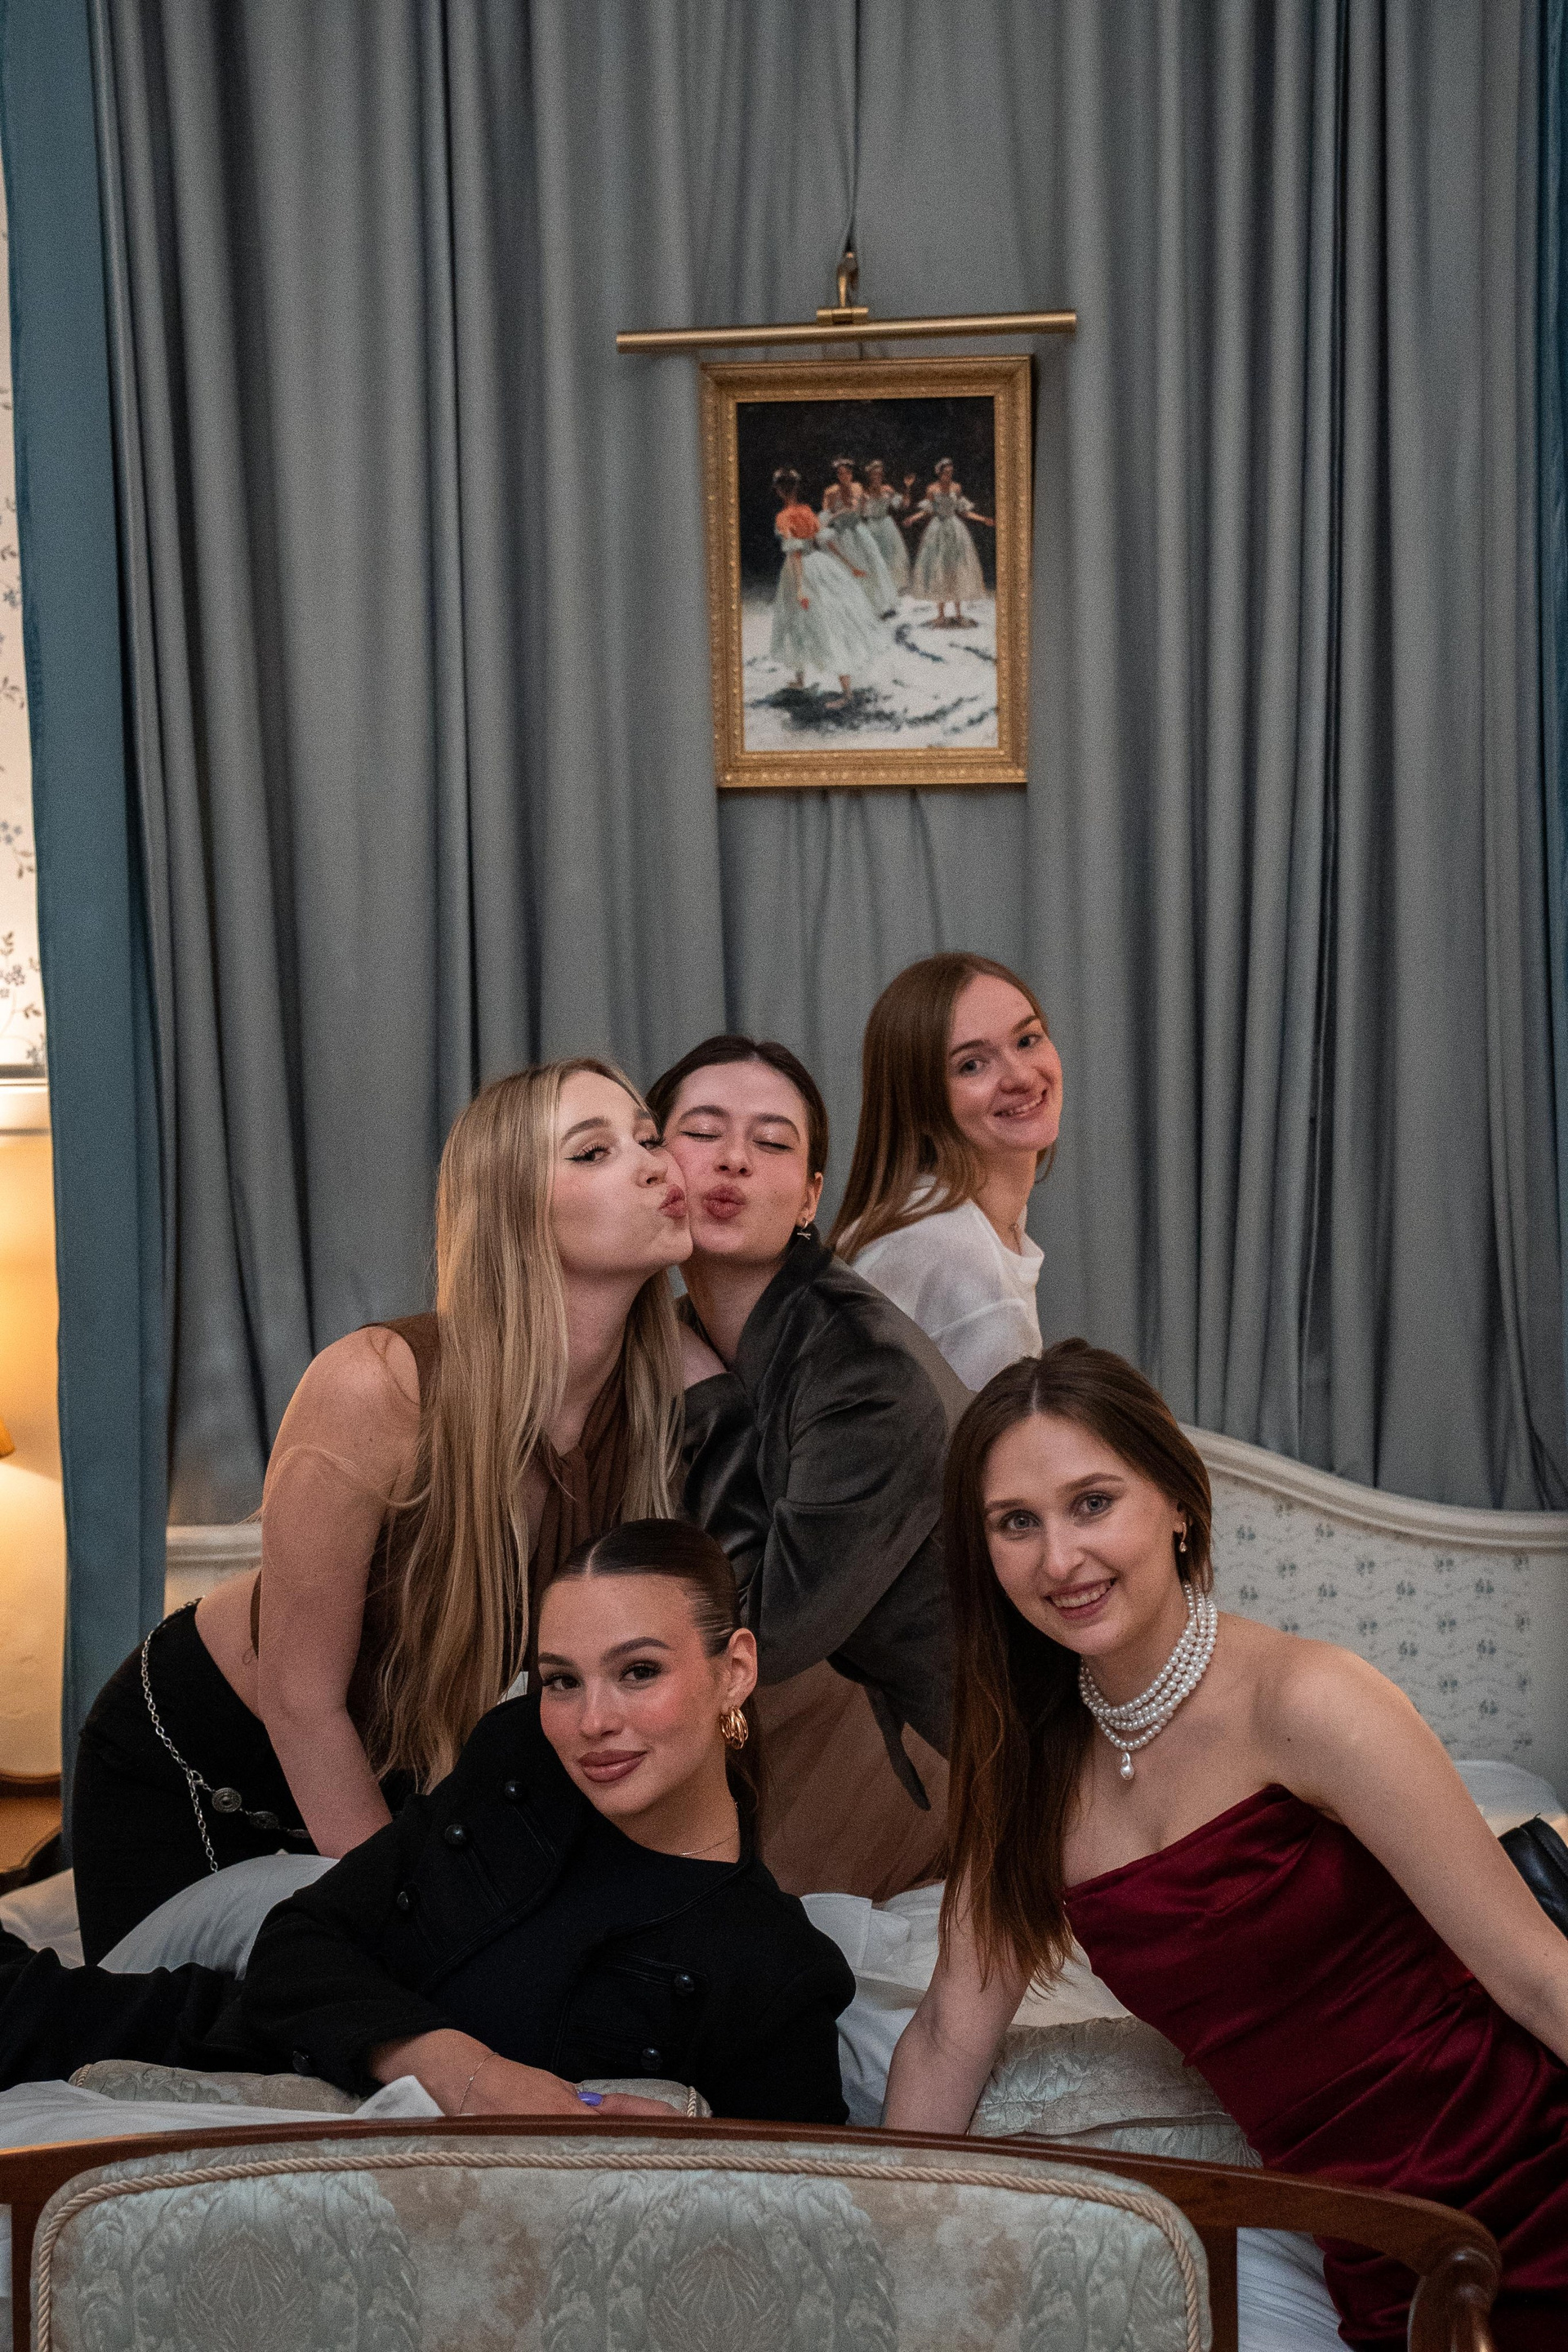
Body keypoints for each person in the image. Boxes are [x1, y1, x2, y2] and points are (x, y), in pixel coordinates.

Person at [883, 1343, 1568, 2351]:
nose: (1059, 1560)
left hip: (1532, 2175)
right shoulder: (1025, 1771)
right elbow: (950, 2030)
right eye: (1015, 1523)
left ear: (1177, 1503)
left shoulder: (1309, 1701)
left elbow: (1537, 1977)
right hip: (1382, 2249)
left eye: (1091, 1503)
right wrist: (887, 2258)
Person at [71, 1059, 694, 1962]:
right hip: (200, 1776)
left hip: (386, 1780)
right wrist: (413, 1923)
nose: (654, 1163)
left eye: (648, 1137)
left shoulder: (645, 1412)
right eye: (594, 1152)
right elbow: (299, 1702)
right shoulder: (379, 1385)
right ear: (515, 1210)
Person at [0, 1523, 854, 2127]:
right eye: (562, 1680)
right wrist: (463, 2072)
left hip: (261, 2134)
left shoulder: (773, 1968)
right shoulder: (523, 1758)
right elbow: (299, 1943)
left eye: (638, 1672)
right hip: (215, 2037)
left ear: (735, 1670)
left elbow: (788, 2228)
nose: (593, 1722)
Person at [650, 1035, 968, 1902]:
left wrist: (708, 1403)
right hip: (845, 1737)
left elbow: (763, 1634)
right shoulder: (684, 1331)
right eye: (702, 1132)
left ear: (809, 1198)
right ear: (654, 1162)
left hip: (975, 1767)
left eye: (772, 1142)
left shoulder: (866, 1371)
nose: (734, 1160)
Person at [832, 952, 1063, 1390]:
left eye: (1027, 1040)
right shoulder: (961, 1260)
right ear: (919, 1103)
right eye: (971, 1065)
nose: (1020, 1076)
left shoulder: (938, 1212)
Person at [767, 467, 889, 710]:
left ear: (779, 491)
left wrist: (800, 588)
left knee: (820, 624)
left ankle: (846, 693)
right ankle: (802, 680)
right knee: (811, 622)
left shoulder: (784, 517)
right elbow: (825, 543)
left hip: (801, 571)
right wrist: (849, 565)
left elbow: (796, 553)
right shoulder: (806, 511)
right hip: (820, 565)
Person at [905, 458, 992, 626]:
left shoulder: (956, 488)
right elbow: (927, 511)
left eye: (951, 472)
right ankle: (941, 614)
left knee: (956, 568)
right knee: (939, 569)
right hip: (938, 529)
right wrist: (912, 518)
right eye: (946, 473)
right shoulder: (932, 489)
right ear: (939, 473)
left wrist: (983, 519)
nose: (949, 475)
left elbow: (963, 511)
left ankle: (958, 613)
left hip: (955, 530)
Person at [820, 457, 898, 616]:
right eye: (841, 473)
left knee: (869, 566)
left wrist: (856, 509)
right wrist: (837, 515)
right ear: (837, 475)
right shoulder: (831, 492)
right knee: (847, 569)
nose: (844, 476)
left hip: (858, 530)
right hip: (842, 533)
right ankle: (852, 610)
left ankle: (874, 607)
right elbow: (825, 516)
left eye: (847, 473)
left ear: (851, 474)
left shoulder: (857, 487)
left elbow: (859, 509)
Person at [860, 459, 910, 595]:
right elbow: (860, 512)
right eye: (874, 474)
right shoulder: (865, 493)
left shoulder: (887, 489)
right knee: (874, 557)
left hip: (886, 525)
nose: (877, 477)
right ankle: (877, 588)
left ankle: (891, 587)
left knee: (890, 556)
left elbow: (902, 505)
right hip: (871, 526)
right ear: (870, 475)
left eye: (880, 474)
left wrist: (907, 488)